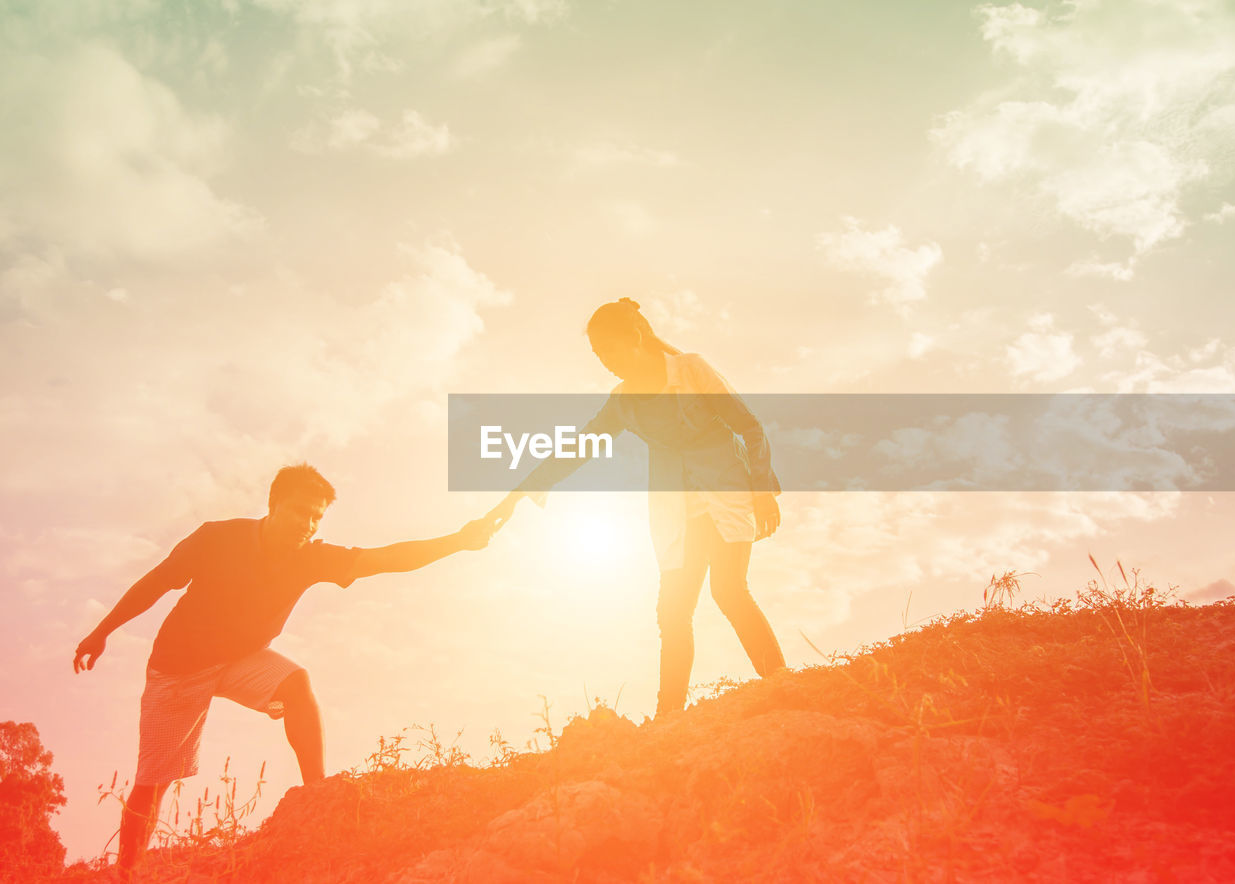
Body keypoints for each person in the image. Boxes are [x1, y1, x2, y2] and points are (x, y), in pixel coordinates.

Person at [72, 463, 495, 876]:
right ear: (273, 505)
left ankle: (317, 794)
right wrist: (102, 631)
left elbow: (386, 558)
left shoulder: (311, 558)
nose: (306, 524)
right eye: (298, 511)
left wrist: (458, 540)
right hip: (179, 668)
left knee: (296, 683)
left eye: (315, 517)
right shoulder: (218, 538)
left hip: (240, 658)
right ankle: (128, 871)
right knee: (154, 780)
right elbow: (157, 581)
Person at [487, 298, 786, 717]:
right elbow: (579, 447)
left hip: (725, 486)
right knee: (673, 611)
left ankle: (782, 684)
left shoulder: (690, 369)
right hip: (673, 505)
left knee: (729, 591)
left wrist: (761, 490)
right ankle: (669, 719)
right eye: (597, 356)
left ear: (637, 338)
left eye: (609, 350)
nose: (605, 362)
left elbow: (749, 426)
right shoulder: (622, 401)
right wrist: (519, 492)